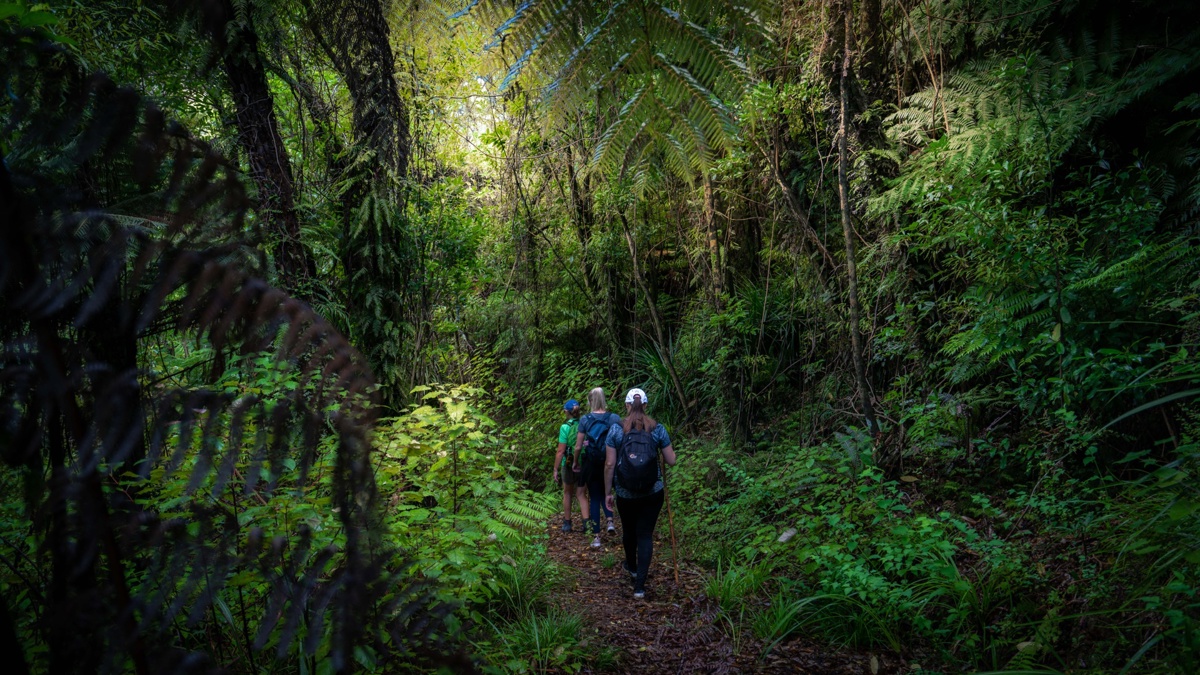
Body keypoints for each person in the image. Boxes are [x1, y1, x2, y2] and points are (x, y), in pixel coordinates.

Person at [604, 388, 676, 599]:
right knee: (645, 534)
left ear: (627, 406)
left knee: (629, 531)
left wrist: (608, 492)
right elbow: (671, 461)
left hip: (625, 493)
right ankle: (640, 587)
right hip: (652, 492)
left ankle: (632, 567)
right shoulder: (657, 428)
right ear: (645, 405)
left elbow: (609, 464)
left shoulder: (617, 429)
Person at [575, 387, 621, 548]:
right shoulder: (614, 418)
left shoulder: (585, 419)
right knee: (607, 492)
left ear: (590, 400)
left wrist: (576, 462)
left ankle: (596, 537)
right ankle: (610, 521)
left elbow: (578, 446)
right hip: (610, 460)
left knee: (594, 497)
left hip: (592, 463)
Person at [553, 399, 588, 532]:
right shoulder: (584, 424)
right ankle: (586, 524)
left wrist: (555, 469)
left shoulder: (565, 427)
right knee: (582, 493)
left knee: (567, 492)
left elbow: (561, 451)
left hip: (567, 463)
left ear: (566, 412)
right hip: (583, 462)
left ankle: (567, 523)